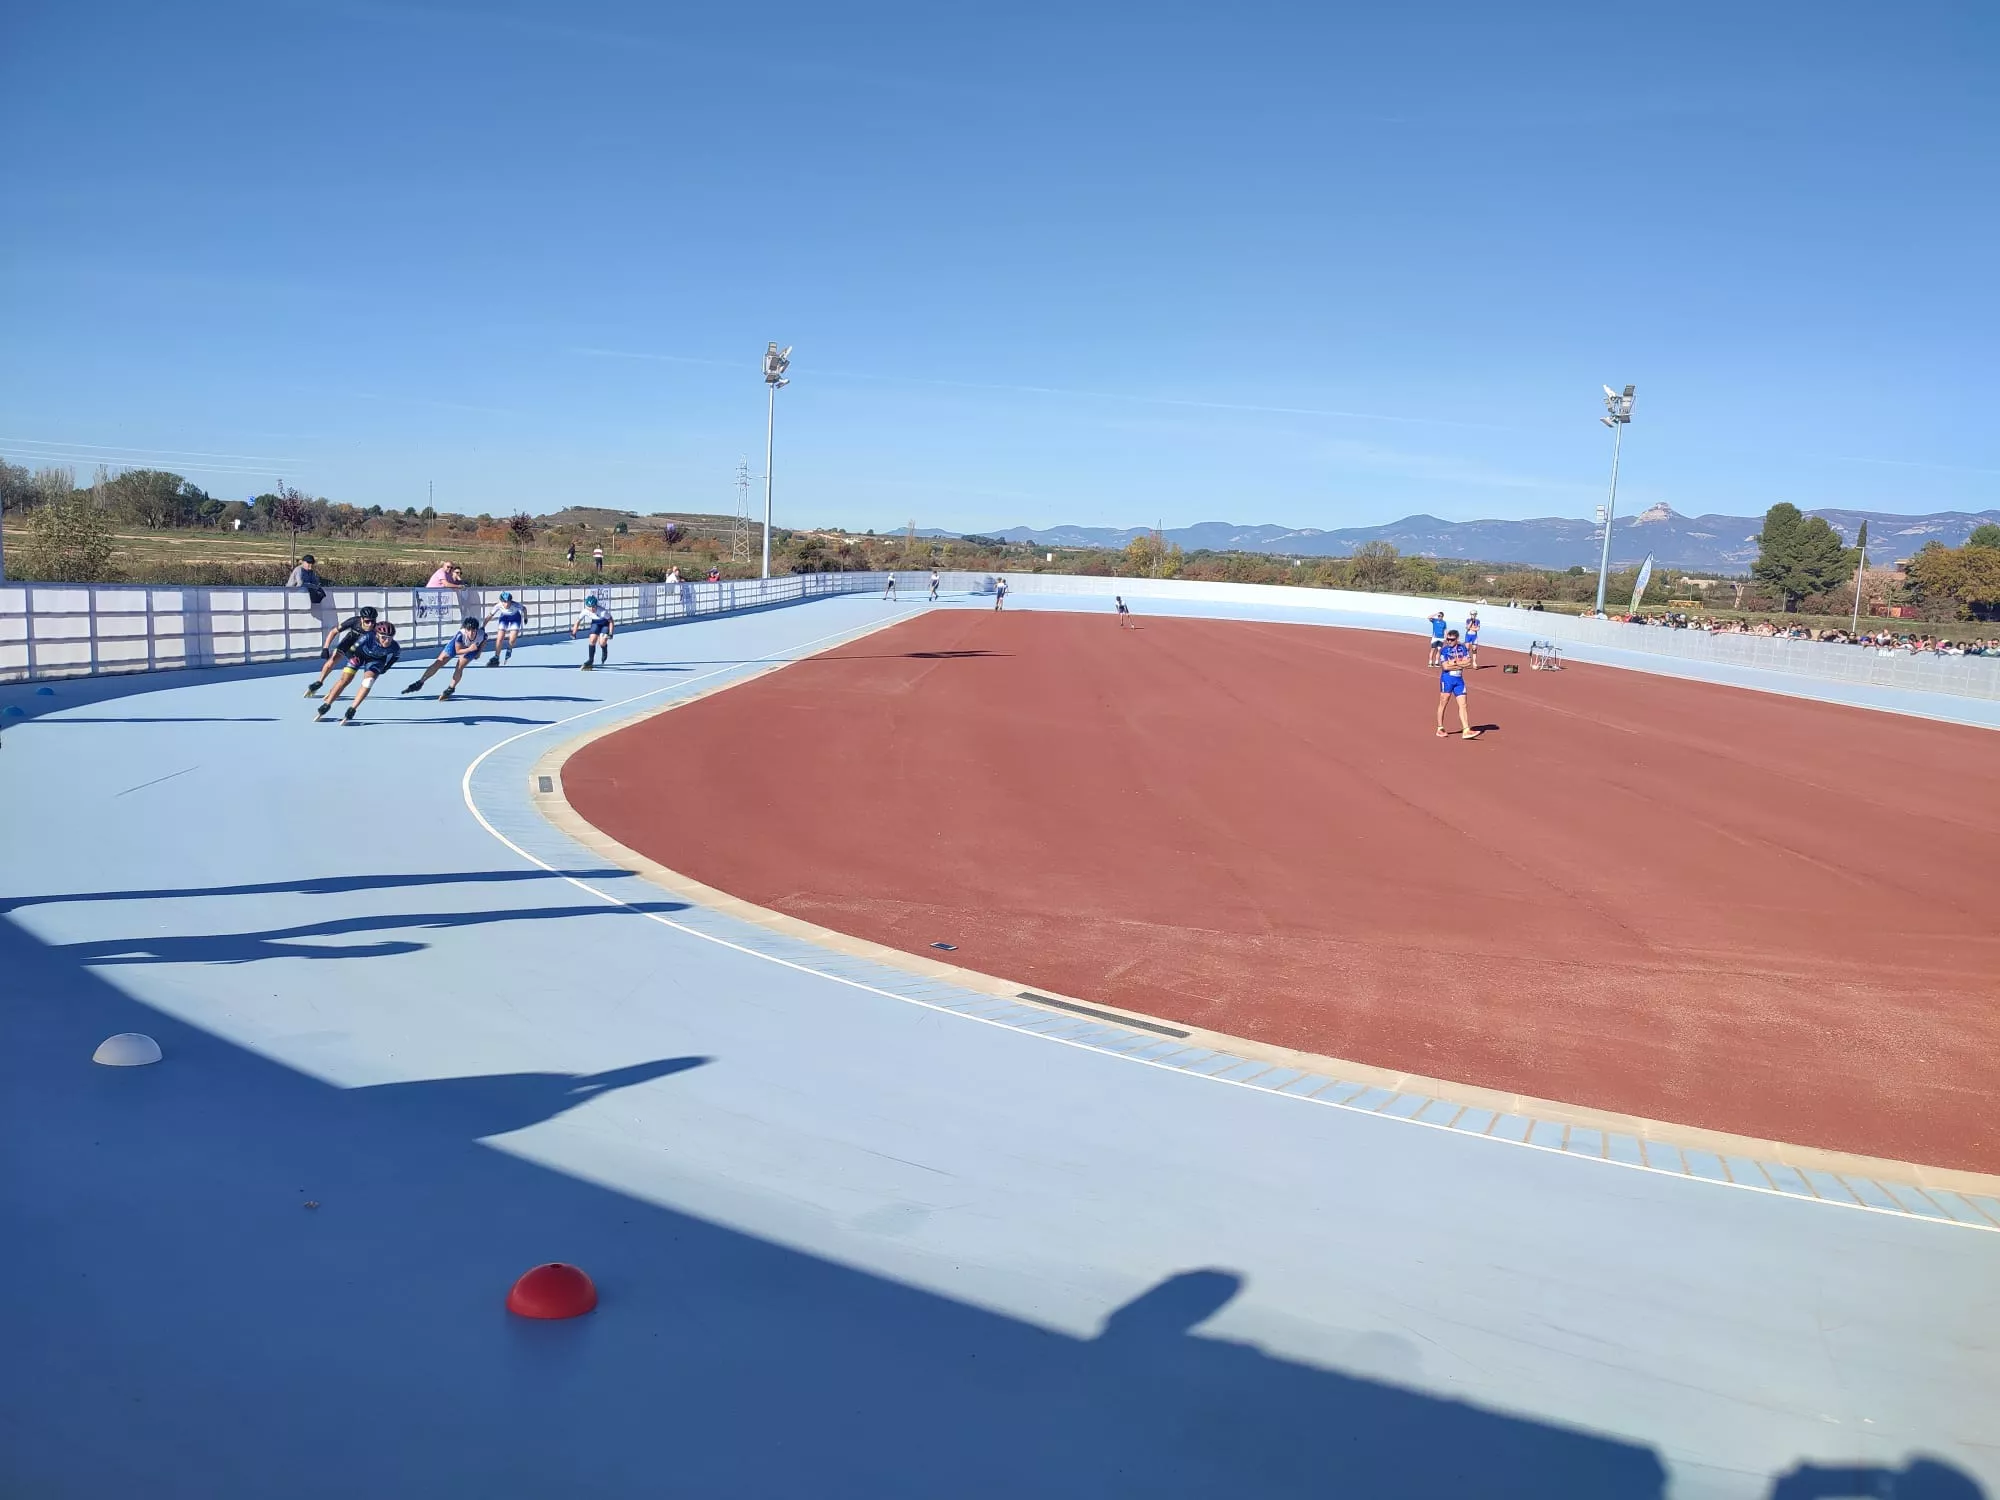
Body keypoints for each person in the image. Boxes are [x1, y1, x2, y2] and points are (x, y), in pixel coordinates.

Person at [314, 619, 401, 725]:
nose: (387, 641)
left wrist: (386, 667)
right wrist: (352, 658)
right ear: (377, 635)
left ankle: (352, 709)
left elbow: (394, 658)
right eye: (384, 637)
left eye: (390, 638)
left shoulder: (395, 647)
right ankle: (327, 704)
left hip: (376, 661)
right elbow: (351, 650)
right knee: (345, 680)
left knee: (368, 682)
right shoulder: (368, 637)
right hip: (359, 655)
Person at [402, 615, 488, 700]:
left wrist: (479, 652)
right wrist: (469, 649)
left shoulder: (481, 634)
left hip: (472, 648)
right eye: (468, 630)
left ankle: (451, 688)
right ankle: (420, 682)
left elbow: (484, 640)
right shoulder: (460, 635)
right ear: (465, 629)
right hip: (459, 646)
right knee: (439, 662)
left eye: (473, 630)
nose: (471, 633)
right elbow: (458, 651)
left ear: (477, 630)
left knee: (459, 666)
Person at [305, 605, 378, 696]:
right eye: (367, 621)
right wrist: (325, 648)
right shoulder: (354, 621)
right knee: (332, 660)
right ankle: (319, 682)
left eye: (373, 621)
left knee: (348, 673)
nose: (370, 624)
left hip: (359, 649)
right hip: (348, 643)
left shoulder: (377, 629)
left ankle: (335, 689)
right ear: (361, 619)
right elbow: (333, 632)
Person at [1435, 629, 1478, 740]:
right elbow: (1445, 667)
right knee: (1443, 702)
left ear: (1457, 639)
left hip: (1459, 680)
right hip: (1447, 679)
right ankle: (1440, 728)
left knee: (1463, 705)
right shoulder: (1444, 650)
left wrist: (1455, 663)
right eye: (1448, 639)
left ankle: (1466, 730)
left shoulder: (1462, 648)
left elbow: (1468, 663)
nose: (1449, 641)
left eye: (1451, 640)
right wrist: (1461, 664)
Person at [572, 593, 614, 669]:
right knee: (592, 640)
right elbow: (577, 621)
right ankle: (590, 660)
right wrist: (574, 632)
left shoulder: (602, 611)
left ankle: (604, 650)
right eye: (589, 607)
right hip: (595, 623)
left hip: (605, 624)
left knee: (602, 642)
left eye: (593, 607)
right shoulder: (584, 611)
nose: (591, 609)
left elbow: (611, 621)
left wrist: (611, 633)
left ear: (596, 605)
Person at [483, 591, 525, 664]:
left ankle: (510, 648)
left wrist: (526, 618)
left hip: (515, 618)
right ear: (501, 601)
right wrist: (483, 626)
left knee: (512, 640)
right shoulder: (498, 606)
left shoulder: (515, 605)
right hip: (504, 618)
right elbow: (489, 616)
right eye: (505, 602)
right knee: (499, 638)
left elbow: (524, 609)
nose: (507, 604)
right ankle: (496, 656)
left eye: (508, 602)